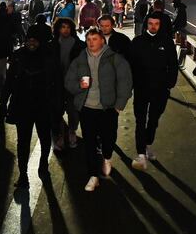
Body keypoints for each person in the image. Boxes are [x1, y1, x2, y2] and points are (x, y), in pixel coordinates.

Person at [65, 28, 133, 192]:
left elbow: (125, 82)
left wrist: (119, 105)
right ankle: (93, 176)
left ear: (102, 40)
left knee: (108, 137)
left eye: (95, 39)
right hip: (86, 107)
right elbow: (68, 81)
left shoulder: (114, 58)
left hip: (107, 108)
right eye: (88, 39)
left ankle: (107, 157)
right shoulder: (80, 59)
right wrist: (78, 86)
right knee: (89, 142)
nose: (91, 42)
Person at [4, 26, 55, 188]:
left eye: (34, 40)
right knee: (23, 142)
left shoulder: (47, 57)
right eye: (29, 40)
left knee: (45, 138)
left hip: (43, 104)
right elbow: (10, 80)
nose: (31, 43)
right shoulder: (18, 56)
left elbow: (55, 82)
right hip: (22, 105)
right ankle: (23, 173)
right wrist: (3, 101)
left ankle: (43, 164)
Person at [129, 13, 179, 170]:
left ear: (160, 25)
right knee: (140, 120)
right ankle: (141, 154)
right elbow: (130, 65)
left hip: (160, 89)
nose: (153, 26)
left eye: (156, 23)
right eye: (150, 23)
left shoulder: (167, 42)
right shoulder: (137, 42)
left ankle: (148, 144)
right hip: (141, 88)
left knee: (154, 120)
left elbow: (173, 65)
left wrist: (169, 84)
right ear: (146, 24)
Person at [49, 17, 85, 151]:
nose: (66, 30)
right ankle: (59, 135)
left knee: (74, 111)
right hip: (56, 84)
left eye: (68, 27)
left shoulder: (79, 45)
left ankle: (71, 132)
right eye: (63, 27)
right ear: (58, 29)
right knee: (57, 110)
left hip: (73, 85)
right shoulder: (52, 45)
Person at [171, 0, 188, 66]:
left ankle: (178, 59)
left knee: (180, 41)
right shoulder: (179, 8)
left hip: (179, 26)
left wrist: (172, 25)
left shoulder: (180, 9)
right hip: (179, 25)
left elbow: (177, 18)